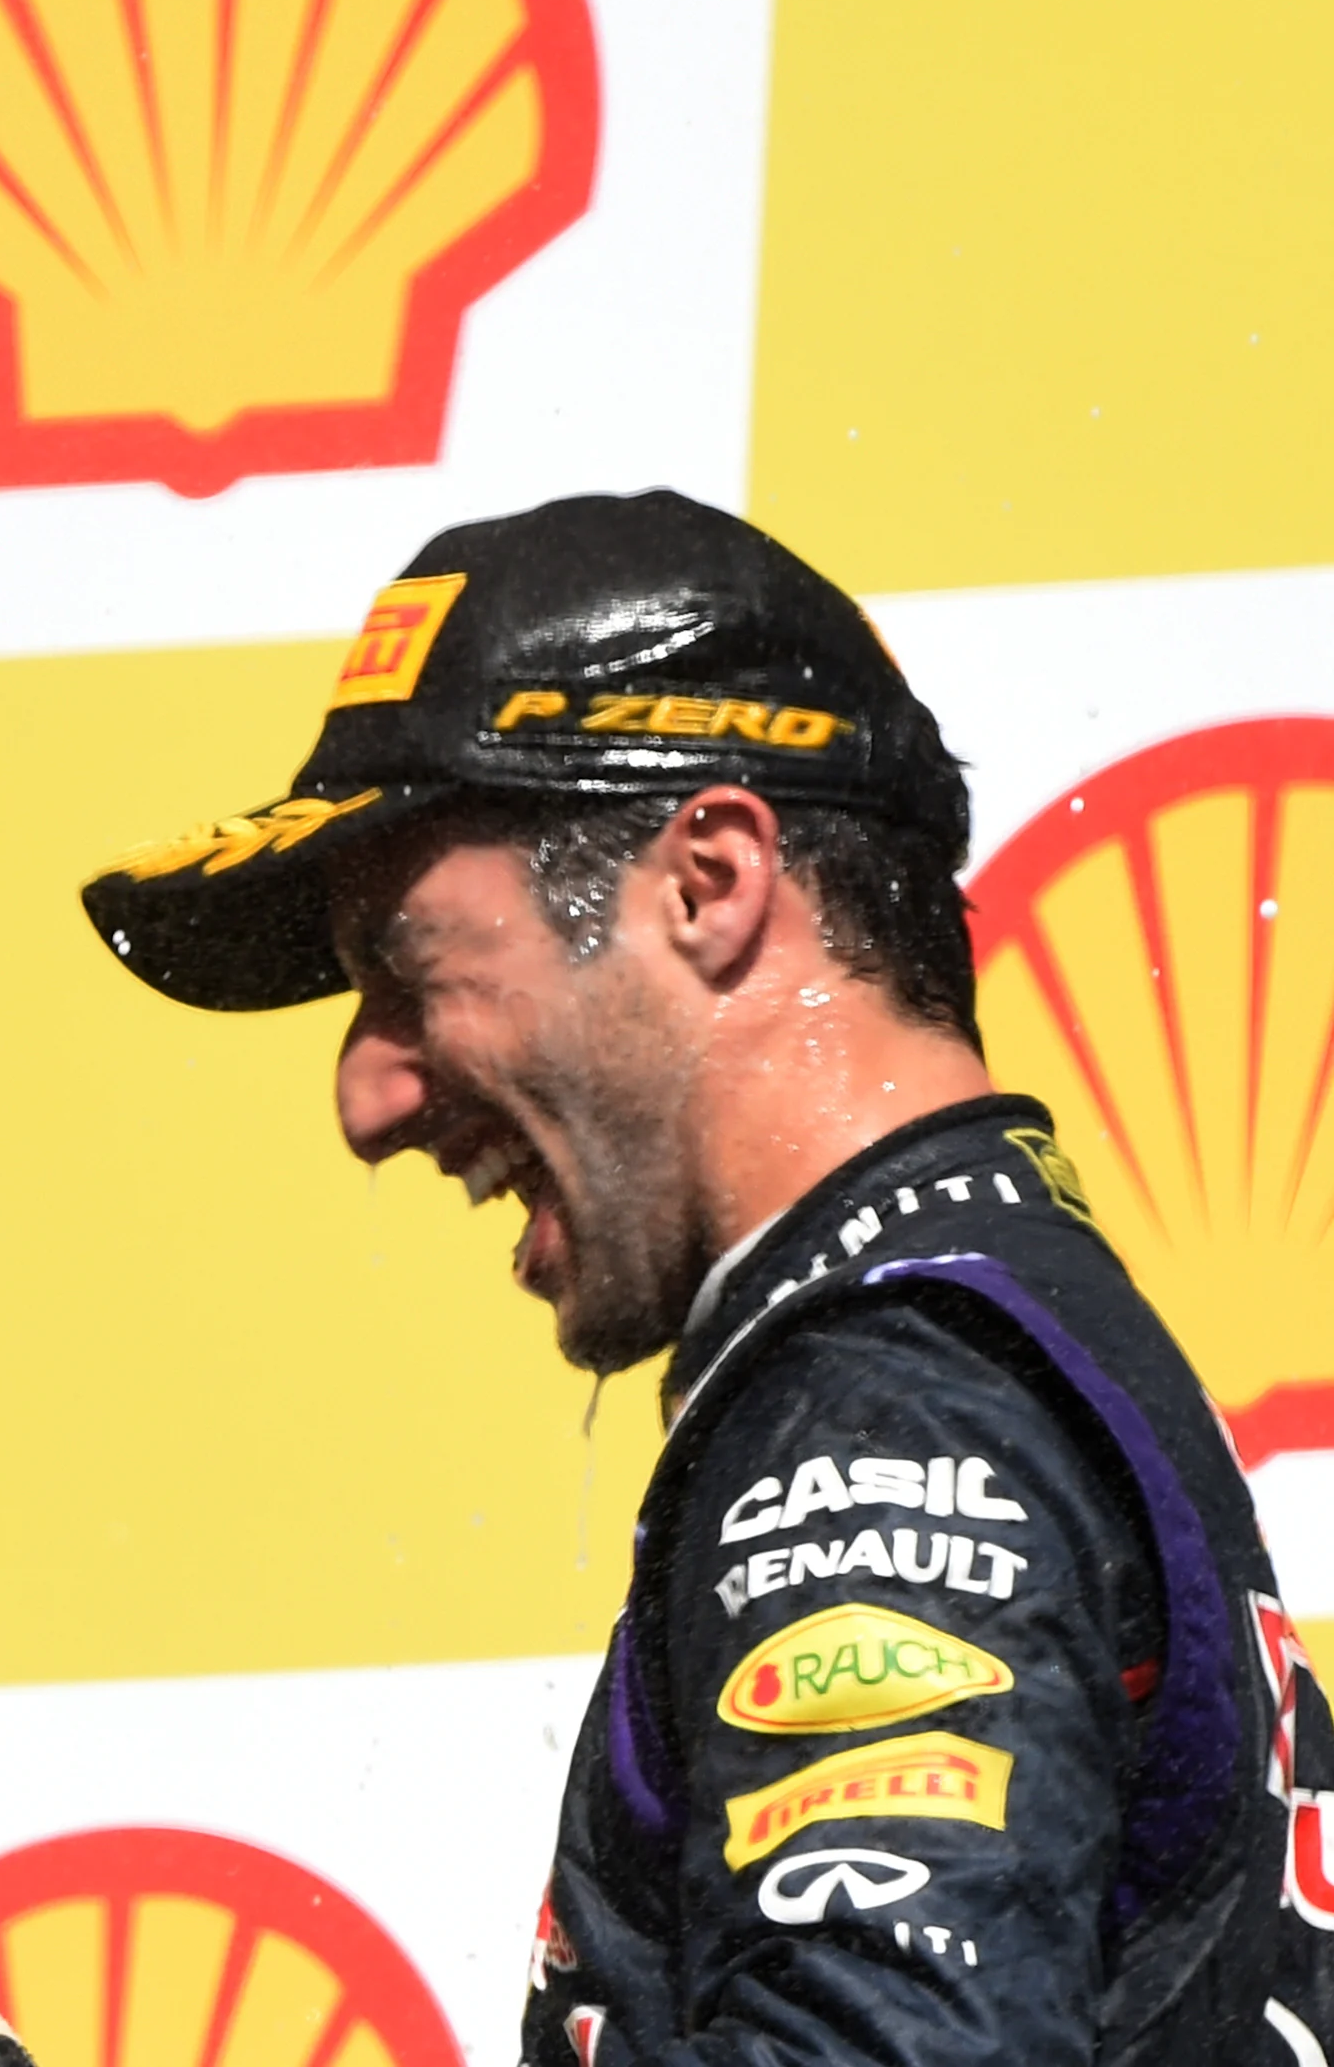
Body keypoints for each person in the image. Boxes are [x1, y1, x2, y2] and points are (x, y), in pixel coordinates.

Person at [77, 491, 1334, 2064]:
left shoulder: (882, 1411)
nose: (368, 1098)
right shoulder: (996, 1323)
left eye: (410, 971)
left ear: (708, 880)